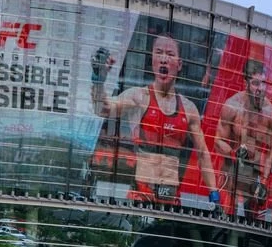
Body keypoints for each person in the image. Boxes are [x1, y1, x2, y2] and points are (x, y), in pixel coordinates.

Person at [91, 33, 219, 207]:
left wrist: (214, 195)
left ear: (179, 64)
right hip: (141, 194)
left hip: (171, 198)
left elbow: (203, 154)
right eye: (159, 53)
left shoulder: (189, 109)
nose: (164, 59)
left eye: (170, 54)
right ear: (152, 60)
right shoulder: (138, 97)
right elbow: (102, 109)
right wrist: (98, 80)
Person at [214, 59, 272, 220]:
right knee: (225, 221)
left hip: (254, 174)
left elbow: (271, 149)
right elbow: (218, 141)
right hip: (231, 170)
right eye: (256, 83)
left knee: (256, 225)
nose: (261, 88)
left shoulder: (269, 112)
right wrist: (233, 153)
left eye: (263, 83)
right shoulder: (232, 106)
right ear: (246, 83)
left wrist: (264, 180)